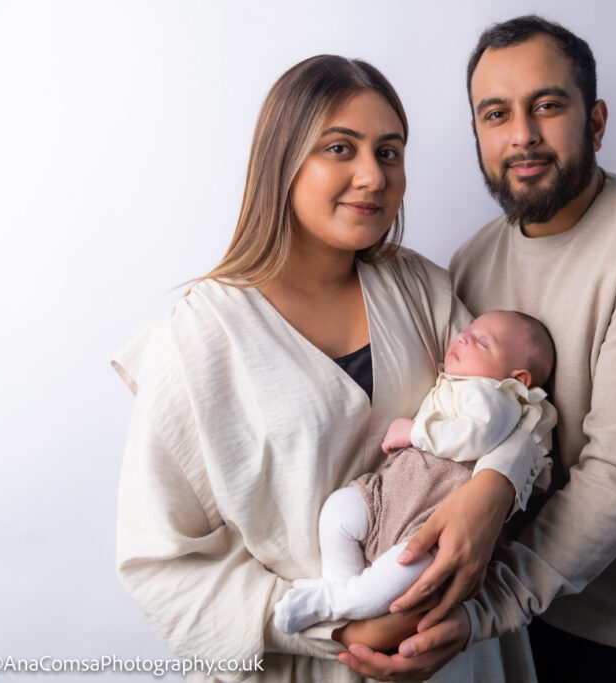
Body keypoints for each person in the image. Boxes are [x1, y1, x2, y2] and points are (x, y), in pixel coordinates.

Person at [112, 55, 549, 682]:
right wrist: (340, 628)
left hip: (453, 647)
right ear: (282, 160)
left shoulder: (421, 289)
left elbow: (522, 415)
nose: (372, 175)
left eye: (390, 152)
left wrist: (492, 491)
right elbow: (158, 561)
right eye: (340, 148)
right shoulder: (203, 335)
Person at [343, 15, 616, 683]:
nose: (521, 134)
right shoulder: (469, 264)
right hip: (515, 620)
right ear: (478, 136)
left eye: (547, 106)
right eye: (496, 114)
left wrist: (484, 606)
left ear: (596, 121)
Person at [272, 311, 556, 638]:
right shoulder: (454, 384)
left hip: (429, 520)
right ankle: (340, 584)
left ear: (517, 379)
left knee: (401, 576)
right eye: (467, 331)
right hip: (389, 494)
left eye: (481, 342)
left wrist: (415, 432)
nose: (463, 338)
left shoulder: (496, 397)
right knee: (338, 510)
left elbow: (477, 435)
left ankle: (333, 602)